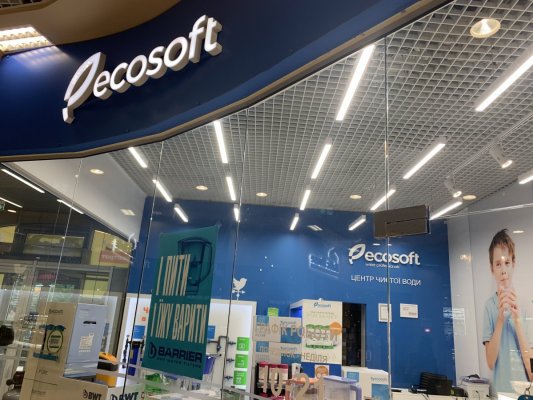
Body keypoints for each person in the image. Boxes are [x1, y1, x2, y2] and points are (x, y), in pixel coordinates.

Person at [483, 229, 532, 393]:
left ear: (513, 264)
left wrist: (517, 320)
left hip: (524, 393)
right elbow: (490, 362)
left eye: (507, 263)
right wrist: (500, 319)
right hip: (500, 392)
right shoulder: (489, 306)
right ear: (492, 269)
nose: (503, 270)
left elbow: (532, 370)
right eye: (498, 264)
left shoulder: (526, 305)